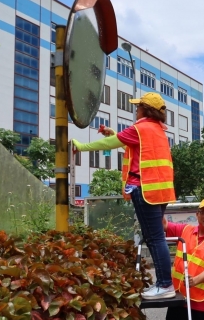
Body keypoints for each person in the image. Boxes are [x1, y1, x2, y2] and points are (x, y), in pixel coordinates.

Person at [72, 92, 176, 299]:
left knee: (154, 238)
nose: (135, 110)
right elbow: (128, 141)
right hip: (160, 191)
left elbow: (109, 144)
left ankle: (165, 284)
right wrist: (112, 133)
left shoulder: (139, 129)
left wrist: (82, 147)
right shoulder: (157, 130)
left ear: (145, 109)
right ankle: (165, 284)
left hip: (144, 189)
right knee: (157, 238)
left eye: (138, 107)